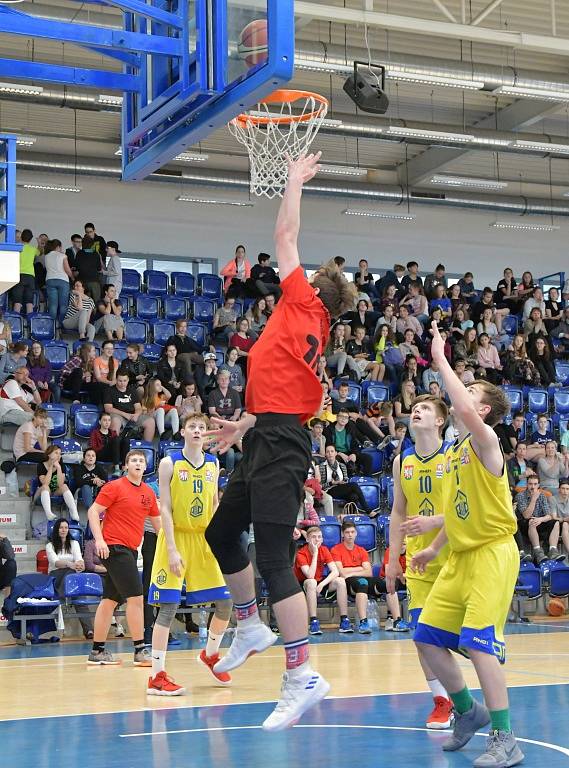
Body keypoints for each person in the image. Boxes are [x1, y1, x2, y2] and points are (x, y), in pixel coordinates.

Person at [204, 153, 357, 732]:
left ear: (317, 289)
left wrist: (292, 181)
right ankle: (249, 624)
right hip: (266, 433)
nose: (301, 270)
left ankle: (302, 675)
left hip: (282, 443)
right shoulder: (306, 324)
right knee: (222, 531)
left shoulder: (303, 302)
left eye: (310, 273)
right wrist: (245, 424)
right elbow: (285, 394)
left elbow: (285, 233)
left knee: (272, 555)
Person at [412, 323, 523, 768]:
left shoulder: (486, 441)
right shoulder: (456, 451)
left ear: (483, 409)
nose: (463, 394)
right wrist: (435, 548)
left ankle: (504, 736)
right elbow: (457, 509)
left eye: (470, 390)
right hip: (458, 556)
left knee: (479, 645)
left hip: (493, 555)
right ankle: (467, 711)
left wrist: (440, 358)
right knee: (426, 638)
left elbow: (460, 403)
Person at [147, 413, 233, 695]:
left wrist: (220, 538)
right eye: (192, 427)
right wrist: (171, 549)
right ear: (183, 431)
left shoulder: (214, 463)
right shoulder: (169, 462)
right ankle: (156, 676)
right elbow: (165, 508)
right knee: (169, 607)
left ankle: (209, 655)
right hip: (176, 537)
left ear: (207, 434)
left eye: (201, 428)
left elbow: (216, 503)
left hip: (203, 538)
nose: (197, 431)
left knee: (225, 602)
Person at [386, 394, 454, 730]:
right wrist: (391, 558)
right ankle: (442, 700)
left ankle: (472, 690)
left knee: (462, 636)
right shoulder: (403, 460)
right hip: (417, 559)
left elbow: (465, 507)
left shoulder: (455, 456)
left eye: (426, 408)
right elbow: (398, 510)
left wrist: (434, 522)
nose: (418, 410)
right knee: (422, 635)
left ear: (440, 420)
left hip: (455, 553)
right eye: (416, 407)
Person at [86, 450, 160, 665]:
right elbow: (93, 512)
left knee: (109, 601)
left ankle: (97, 652)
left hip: (130, 549)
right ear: (126, 466)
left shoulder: (148, 493)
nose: (137, 463)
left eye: (141, 461)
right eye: (133, 460)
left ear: (146, 467)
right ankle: (140, 650)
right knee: (136, 598)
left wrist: (173, 546)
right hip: (113, 548)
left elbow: (158, 527)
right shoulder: (114, 487)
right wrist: (99, 540)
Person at [331, 520, 407, 633]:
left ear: (356, 533)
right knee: (362, 582)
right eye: (347, 532)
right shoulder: (336, 549)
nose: (350, 535)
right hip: (348, 583)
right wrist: (360, 569)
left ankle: (397, 621)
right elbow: (342, 573)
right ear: (342, 534)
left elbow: (369, 572)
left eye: (352, 532)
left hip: (362, 579)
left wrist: (351, 570)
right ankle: (363, 622)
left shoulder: (361, 550)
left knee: (388, 584)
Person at [294, 526, 352, 635]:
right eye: (313, 537)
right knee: (312, 582)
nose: (317, 540)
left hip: (319, 582)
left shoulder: (324, 550)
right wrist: (315, 553)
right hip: (303, 585)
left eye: (319, 537)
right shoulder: (301, 553)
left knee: (340, 581)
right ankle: (313, 622)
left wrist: (322, 584)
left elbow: (335, 571)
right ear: (307, 539)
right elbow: (310, 575)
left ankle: (344, 620)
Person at [46, 518, 94, 638]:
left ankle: (89, 631)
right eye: (61, 527)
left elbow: (79, 558)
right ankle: (64, 594)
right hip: (56, 576)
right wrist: (70, 564)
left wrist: (80, 564)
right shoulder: (50, 546)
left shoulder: (74, 543)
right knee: (73, 577)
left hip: (72, 576)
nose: (63, 530)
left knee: (79, 593)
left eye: (66, 528)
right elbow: (55, 563)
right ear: (56, 529)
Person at [516, 475, 562, 563]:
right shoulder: (520, 496)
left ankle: (553, 550)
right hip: (525, 525)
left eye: (535, 484)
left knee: (555, 522)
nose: (532, 487)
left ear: (538, 485)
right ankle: (538, 552)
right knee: (531, 520)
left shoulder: (542, 496)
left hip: (539, 522)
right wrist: (533, 499)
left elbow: (549, 515)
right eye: (530, 484)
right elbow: (526, 515)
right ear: (527, 484)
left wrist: (540, 519)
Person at [104, 371, 155, 442]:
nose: (122, 383)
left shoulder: (132, 390)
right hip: (118, 415)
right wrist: (125, 414)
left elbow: (138, 407)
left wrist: (136, 415)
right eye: (120, 381)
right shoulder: (109, 390)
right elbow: (108, 408)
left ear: (128, 380)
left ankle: (146, 448)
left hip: (132, 415)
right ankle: (115, 447)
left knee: (151, 421)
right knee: (115, 421)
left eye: (125, 381)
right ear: (116, 380)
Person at [37, 445, 79, 522]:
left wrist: (59, 468)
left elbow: (60, 484)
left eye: (60, 453)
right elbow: (45, 483)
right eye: (56, 453)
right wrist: (50, 468)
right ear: (49, 454)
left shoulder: (62, 466)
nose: (59, 455)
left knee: (64, 486)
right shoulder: (41, 465)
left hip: (55, 490)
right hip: (43, 491)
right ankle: (48, 513)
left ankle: (74, 512)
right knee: (45, 487)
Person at [44, 239, 73, 324]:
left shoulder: (46, 256)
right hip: (62, 280)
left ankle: (52, 325)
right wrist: (72, 277)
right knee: (63, 305)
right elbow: (67, 269)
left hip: (50, 280)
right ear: (58, 247)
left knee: (53, 304)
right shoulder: (62, 256)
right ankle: (60, 324)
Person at [10, 228, 38, 316]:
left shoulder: (17, 248)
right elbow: (40, 252)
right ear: (30, 239)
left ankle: (16, 324)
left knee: (17, 302)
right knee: (29, 302)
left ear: (21, 237)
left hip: (19, 275)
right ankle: (30, 324)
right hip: (30, 277)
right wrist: (39, 243)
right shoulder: (33, 249)